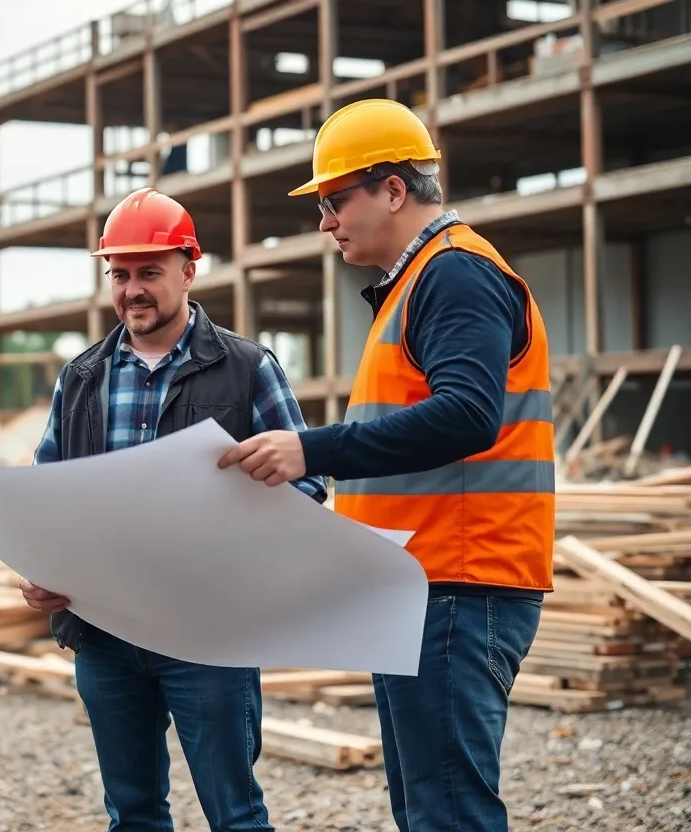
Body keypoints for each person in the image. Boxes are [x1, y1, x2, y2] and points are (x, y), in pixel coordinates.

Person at [219, 99, 555, 832]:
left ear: (395, 189)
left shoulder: (455, 274)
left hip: (457, 583)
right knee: (426, 807)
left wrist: (311, 449)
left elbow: (467, 415)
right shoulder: (420, 281)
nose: (325, 223)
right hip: (425, 584)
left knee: (448, 812)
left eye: (335, 201)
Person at [19, 187, 327, 831]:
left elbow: (307, 485)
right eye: (119, 274)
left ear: (189, 269)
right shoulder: (82, 378)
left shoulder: (247, 368)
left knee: (235, 814)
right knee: (132, 813)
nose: (133, 290)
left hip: (209, 632)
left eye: (150, 273)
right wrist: (39, 566)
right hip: (106, 634)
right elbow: (47, 494)